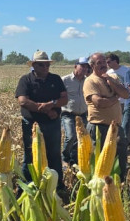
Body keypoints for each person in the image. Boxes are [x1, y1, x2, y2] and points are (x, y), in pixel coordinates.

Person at [15, 51, 68, 191]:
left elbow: (64, 99)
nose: (45, 67)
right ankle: (27, 187)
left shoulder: (56, 79)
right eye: (41, 65)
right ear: (33, 65)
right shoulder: (25, 80)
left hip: (52, 123)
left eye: (47, 64)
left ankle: (57, 186)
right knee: (31, 155)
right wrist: (45, 109)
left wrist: (52, 104)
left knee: (54, 154)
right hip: (32, 124)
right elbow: (22, 101)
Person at [84, 52, 130, 180]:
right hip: (99, 127)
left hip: (115, 127)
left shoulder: (111, 78)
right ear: (92, 66)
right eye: (99, 63)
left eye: (104, 61)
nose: (103, 65)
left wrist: (110, 80)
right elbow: (100, 103)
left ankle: (118, 186)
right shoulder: (90, 81)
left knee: (119, 159)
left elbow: (126, 94)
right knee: (99, 162)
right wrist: (116, 96)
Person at [61, 57, 89, 166]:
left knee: (80, 137)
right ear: (75, 66)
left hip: (83, 114)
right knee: (71, 136)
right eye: (82, 66)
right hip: (68, 113)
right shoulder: (65, 80)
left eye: (86, 66)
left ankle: (75, 158)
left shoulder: (88, 81)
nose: (84, 68)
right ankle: (65, 157)